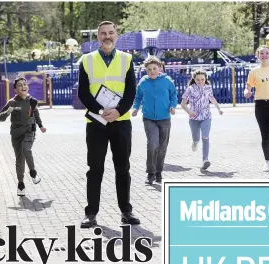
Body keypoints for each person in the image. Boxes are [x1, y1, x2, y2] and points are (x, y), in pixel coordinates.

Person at [77, 20, 140, 228]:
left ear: (117, 35)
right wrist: (99, 111)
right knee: (95, 168)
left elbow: (131, 90)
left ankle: (126, 211)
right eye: (103, 33)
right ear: (97, 37)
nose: (107, 36)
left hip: (121, 122)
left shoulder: (126, 59)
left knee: (123, 168)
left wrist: (118, 111)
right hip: (96, 123)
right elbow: (83, 93)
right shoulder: (86, 60)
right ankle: (91, 213)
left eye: (111, 33)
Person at [132, 56, 177, 184]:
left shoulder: (167, 81)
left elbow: (173, 95)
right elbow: (138, 97)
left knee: (162, 147)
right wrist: (135, 108)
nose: (152, 71)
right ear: (146, 70)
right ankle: (150, 173)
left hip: (165, 118)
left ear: (160, 68)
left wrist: (172, 106)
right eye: (149, 69)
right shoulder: (143, 82)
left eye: (154, 68)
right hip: (148, 118)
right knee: (152, 144)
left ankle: (159, 173)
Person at [0, 77, 46, 196]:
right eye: (20, 85)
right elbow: (0, 118)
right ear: (15, 89)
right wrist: (8, 111)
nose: (23, 86)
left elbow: (36, 113)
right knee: (19, 159)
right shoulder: (12, 102)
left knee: (26, 149)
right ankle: (21, 185)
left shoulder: (32, 101)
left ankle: (33, 173)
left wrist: (40, 126)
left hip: (29, 130)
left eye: (25, 84)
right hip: (16, 134)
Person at [181, 69, 223, 170]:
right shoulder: (190, 89)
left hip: (206, 116)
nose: (200, 81)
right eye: (198, 79)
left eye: (202, 79)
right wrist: (189, 112)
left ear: (205, 79)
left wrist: (219, 108)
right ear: (194, 79)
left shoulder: (208, 88)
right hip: (194, 118)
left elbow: (212, 99)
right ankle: (195, 142)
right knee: (196, 139)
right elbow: (183, 104)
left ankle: (205, 160)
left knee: (205, 137)